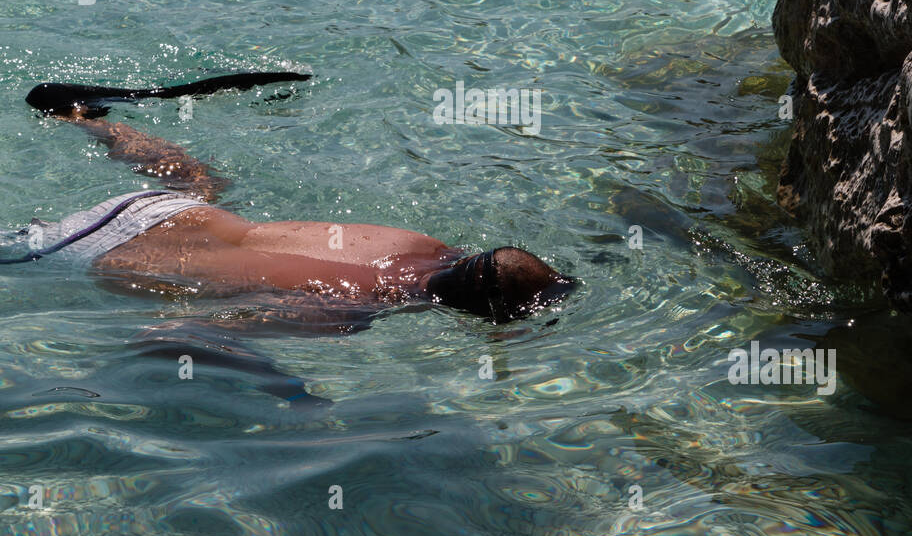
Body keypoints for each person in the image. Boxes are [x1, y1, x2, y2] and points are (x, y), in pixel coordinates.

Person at [8, 107, 576, 334]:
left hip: (164, 208)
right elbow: (181, 334)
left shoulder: (424, 243)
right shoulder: (350, 309)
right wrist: (285, 392)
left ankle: (99, 123)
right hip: (85, 251)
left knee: (204, 187)